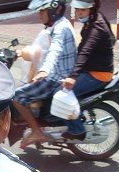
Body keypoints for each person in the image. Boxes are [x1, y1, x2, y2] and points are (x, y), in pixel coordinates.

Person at [13, 0, 77, 148]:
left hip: (55, 78)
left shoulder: (61, 29)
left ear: (54, 11)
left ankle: (37, 131)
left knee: (17, 97)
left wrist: (44, 70)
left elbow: (54, 51)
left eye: (43, 11)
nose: (39, 14)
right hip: (58, 73)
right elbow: (42, 48)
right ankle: (39, 126)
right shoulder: (58, 25)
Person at [60, 0, 115, 140]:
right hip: (94, 69)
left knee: (64, 94)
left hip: (98, 74)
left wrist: (73, 76)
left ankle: (77, 130)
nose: (79, 13)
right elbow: (112, 39)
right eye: (77, 9)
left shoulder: (96, 26)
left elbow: (85, 52)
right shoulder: (96, 18)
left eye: (82, 10)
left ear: (91, 9)